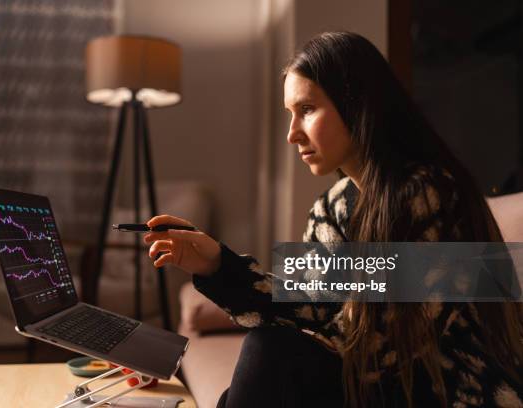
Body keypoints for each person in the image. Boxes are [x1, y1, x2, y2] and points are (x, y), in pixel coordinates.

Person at [143, 32, 523, 407]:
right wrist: (216, 263)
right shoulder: (333, 205)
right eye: (290, 114)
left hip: (448, 389)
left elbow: (382, 344)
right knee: (261, 371)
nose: (292, 134)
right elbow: (312, 300)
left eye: (307, 110)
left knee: (271, 353)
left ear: (356, 103)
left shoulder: (431, 193)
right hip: (380, 383)